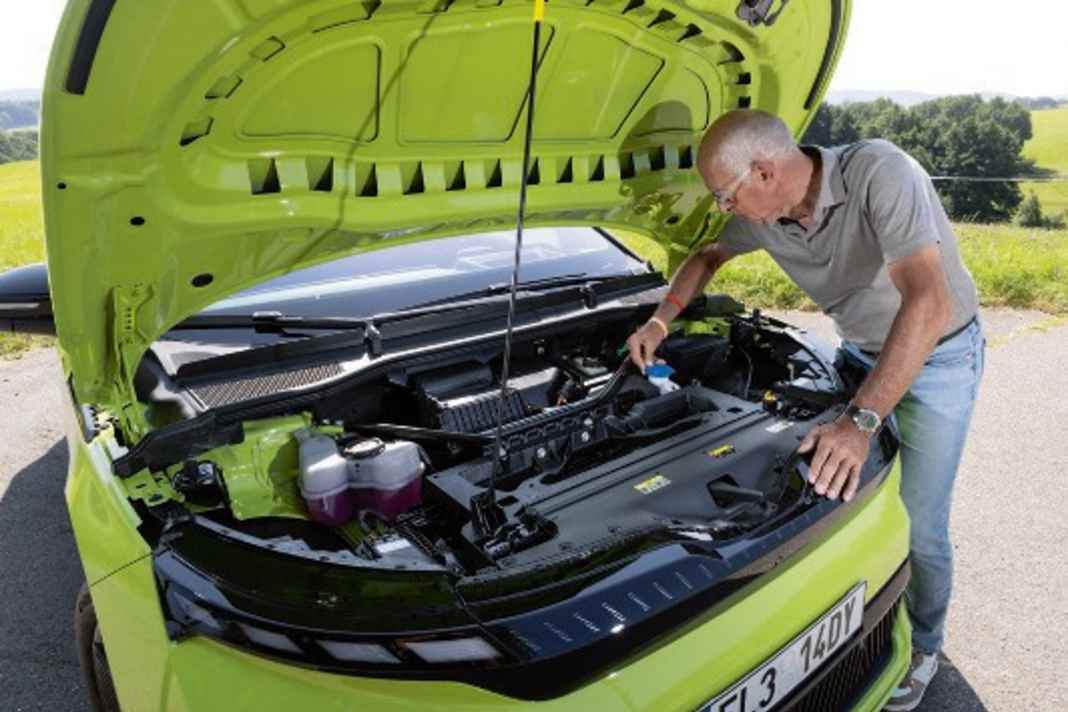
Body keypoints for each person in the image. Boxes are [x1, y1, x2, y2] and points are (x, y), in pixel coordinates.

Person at [626, 109, 985, 712]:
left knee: (919, 522)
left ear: (764, 171)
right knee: (834, 500)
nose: (721, 208)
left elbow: (928, 299)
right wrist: (662, 319)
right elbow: (707, 253)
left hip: (939, 357)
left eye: (723, 194)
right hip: (859, 352)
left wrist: (860, 422)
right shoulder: (765, 217)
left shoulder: (880, 172)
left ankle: (924, 644)